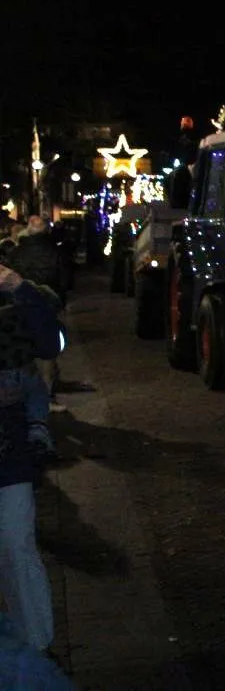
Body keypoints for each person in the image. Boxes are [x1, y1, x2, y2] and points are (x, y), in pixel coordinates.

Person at [0, 263, 61, 657]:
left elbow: (51, 344)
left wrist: (21, 289)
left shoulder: (17, 292)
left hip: (8, 444)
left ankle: (38, 648)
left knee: (16, 542)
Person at [5, 218, 63, 401]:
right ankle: (45, 393)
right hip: (46, 301)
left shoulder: (18, 252)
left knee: (26, 346)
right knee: (47, 349)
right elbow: (63, 276)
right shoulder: (54, 250)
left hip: (22, 302)